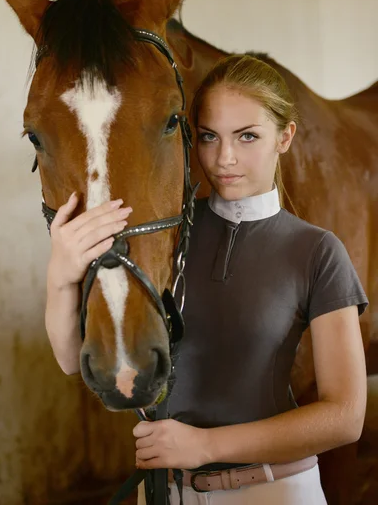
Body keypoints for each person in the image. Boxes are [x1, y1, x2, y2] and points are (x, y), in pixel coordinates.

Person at [45, 54, 368, 504]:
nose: (224, 158)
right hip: (166, 492)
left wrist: (204, 446)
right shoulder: (167, 238)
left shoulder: (317, 251)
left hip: (275, 492)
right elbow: (69, 360)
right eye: (209, 137)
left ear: (285, 137)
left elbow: (345, 417)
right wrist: (61, 275)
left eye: (247, 136)